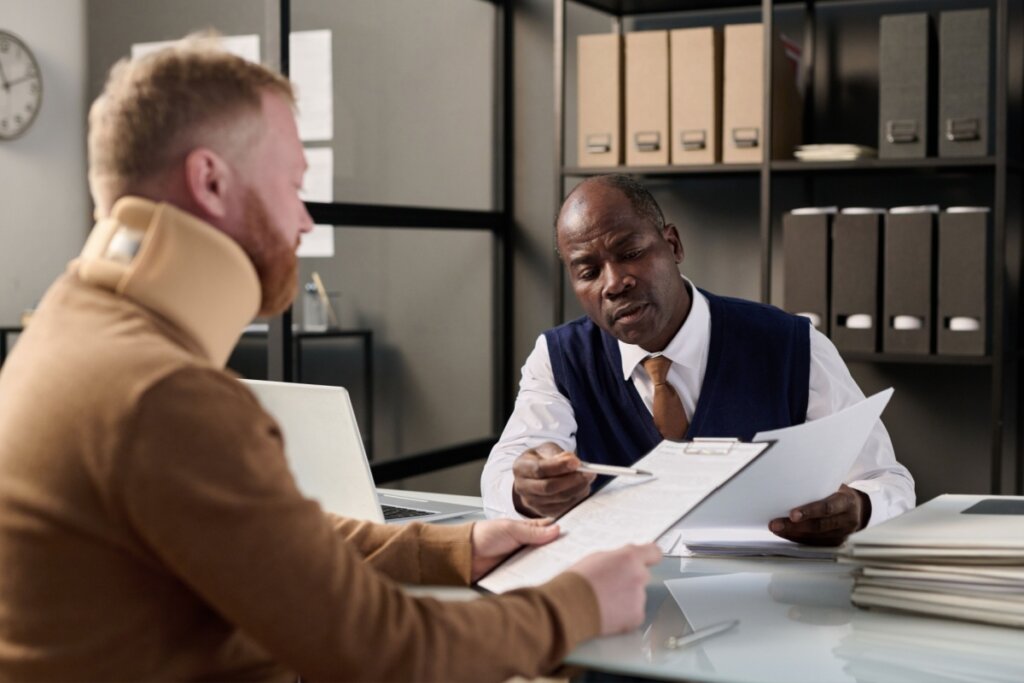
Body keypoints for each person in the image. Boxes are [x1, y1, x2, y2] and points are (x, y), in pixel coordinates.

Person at [0, 38, 662, 681]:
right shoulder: (161, 393)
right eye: (291, 184)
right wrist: (577, 603)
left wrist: (454, 546)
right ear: (209, 180)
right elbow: (385, 651)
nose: (304, 219)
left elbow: (260, 541)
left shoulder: (67, 327)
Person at [481, 174, 915, 546]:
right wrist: (525, 490)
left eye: (630, 252)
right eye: (588, 271)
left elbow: (887, 481)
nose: (615, 283)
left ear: (672, 245)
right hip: (626, 607)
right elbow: (502, 475)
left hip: (765, 609)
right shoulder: (559, 359)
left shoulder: (792, 345)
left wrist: (860, 507)